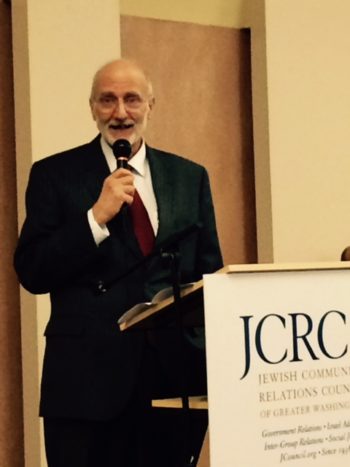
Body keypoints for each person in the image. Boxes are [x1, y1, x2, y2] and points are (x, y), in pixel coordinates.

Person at [14, 59, 223, 467]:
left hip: (171, 377)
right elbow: (33, 270)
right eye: (107, 100)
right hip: (86, 382)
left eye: (131, 99)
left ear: (151, 105)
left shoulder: (189, 176)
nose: (120, 112)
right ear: (92, 107)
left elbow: (208, 275)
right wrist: (94, 219)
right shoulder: (54, 174)